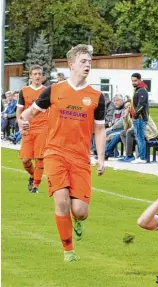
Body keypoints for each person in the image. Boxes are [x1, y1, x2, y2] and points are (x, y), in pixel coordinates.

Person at [18, 44, 106, 262]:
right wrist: (22, 121)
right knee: (61, 202)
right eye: (83, 61)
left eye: (90, 62)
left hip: (81, 158)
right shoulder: (54, 90)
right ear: (71, 64)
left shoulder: (96, 96)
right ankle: (68, 251)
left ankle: (77, 221)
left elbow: (100, 128)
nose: (88, 65)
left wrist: (101, 159)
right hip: (55, 154)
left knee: (80, 210)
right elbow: (31, 112)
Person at [16, 65, 47, 193]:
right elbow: (19, 110)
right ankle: (33, 176)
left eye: (40, 74)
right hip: (28, 128)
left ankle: (36, 186)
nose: (37, 76)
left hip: (43, 127)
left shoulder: (47, 90)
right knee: (25, 159)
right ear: (30, 76)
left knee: (40, 158)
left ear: (42, 76)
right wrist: (20, 123)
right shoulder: (24, 91)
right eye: (35, 74)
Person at [131, 73, 149, 164]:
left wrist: (135, 115)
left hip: (140, 118)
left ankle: (142, 157)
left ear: (140, 80)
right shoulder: (138, 90)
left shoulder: (142, 90)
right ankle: (140, 156)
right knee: (139, 137)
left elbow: (141, 104)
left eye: (135, 80)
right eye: (132, 81)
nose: (133, 82)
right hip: (138, 118)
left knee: (140, 137)